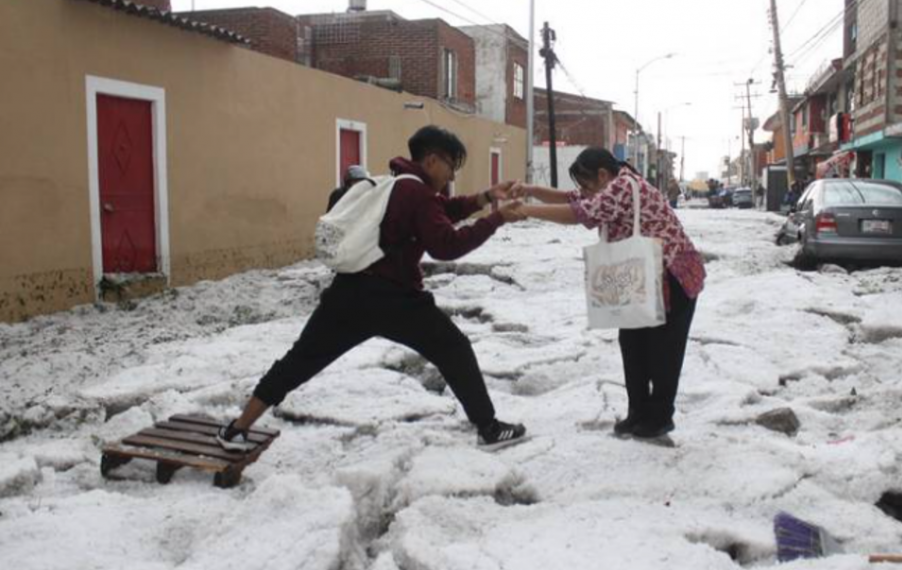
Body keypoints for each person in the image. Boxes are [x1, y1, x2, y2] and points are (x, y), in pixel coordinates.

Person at [217, 126, 527, 450]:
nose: (451, 174)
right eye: (451, 165)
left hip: (349, 293)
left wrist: (487, 197)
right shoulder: (418, 194)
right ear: (432, 160)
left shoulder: (396, 184)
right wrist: (497, 219)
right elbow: (446, 245)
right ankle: (489, 429)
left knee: (299, 361)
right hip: (396, 299)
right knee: (455, 349)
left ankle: (237, 429)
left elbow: (442, 211)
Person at [508, 148, 706, 439]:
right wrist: (529, 190)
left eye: (587, 184)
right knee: (633, 344)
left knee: (663, 351)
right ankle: (638, 413)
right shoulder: (611, 186)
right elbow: (571, 199)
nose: (584, 192)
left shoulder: (625, 185)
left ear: (603, 174)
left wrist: (525, 210)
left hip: (673, 276)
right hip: (642, 275)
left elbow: (581, 213)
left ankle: (659, 417)